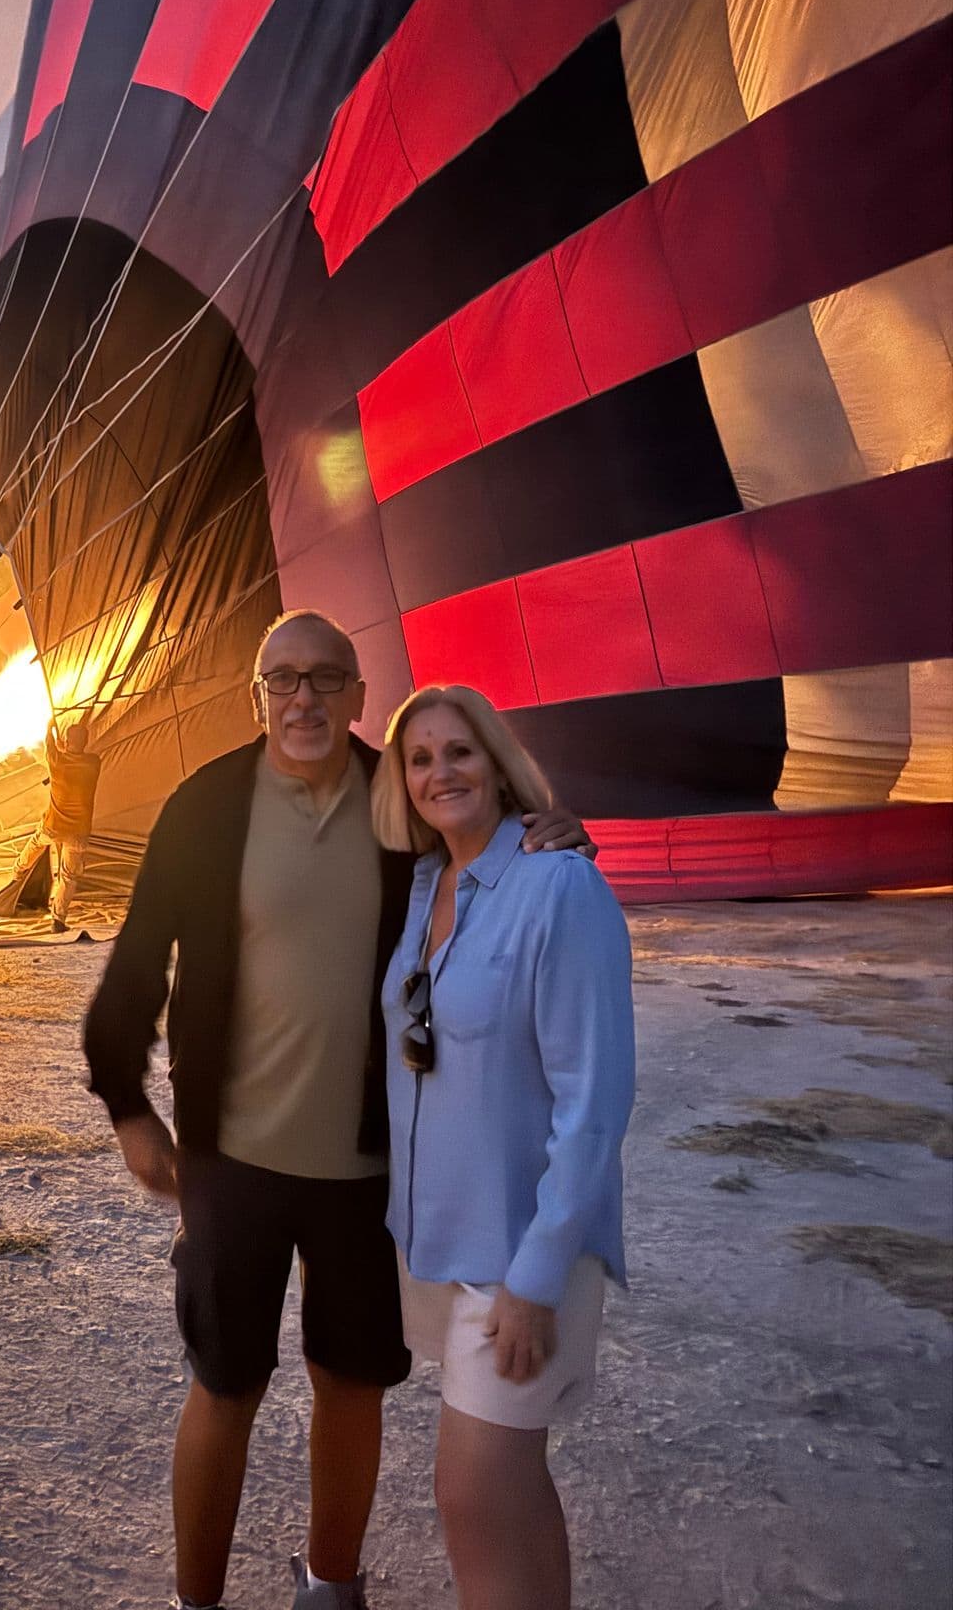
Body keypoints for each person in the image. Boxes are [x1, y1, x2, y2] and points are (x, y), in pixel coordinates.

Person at [82, 613, 593, 1610]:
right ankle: (198, 1602)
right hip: (230, 1157)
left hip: (372, 1165)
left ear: (362, 695)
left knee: (351, 1379)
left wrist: (559, 836)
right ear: (258, 694)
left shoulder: (402, 800)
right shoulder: (207, 806)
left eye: (325, 677)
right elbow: (140, 957)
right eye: (283, 678)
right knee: (226, 1381)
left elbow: (501, 864)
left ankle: (331, 1586)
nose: (303, 697)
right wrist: (129, 1103)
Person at [371, 685, 634, 1610]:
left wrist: (536, 1276)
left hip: (524, 1253)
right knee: (513, 1486)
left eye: (461, 751)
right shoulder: (423, 885)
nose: (441, 772)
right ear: (400, 783)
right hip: (445, 1238)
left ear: (499, 762)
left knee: (471, 1492)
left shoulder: (558, 883)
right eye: (420, 758)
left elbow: (595, 1098)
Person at [17, 716, 101, 933]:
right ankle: (58, 919)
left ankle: (18, 871)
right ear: (86, 741)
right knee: (69, 877)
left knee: (36, 842)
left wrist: (51, 728)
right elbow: (62, 749)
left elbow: (49, 744)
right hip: (78, 834)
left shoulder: (57, 761)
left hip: (53, 827)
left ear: (66, 740)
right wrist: (63, 744)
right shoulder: (93, 763)